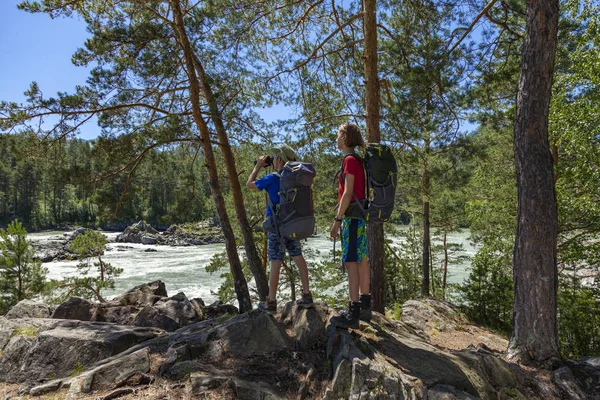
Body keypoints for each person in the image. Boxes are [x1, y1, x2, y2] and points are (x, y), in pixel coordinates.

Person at [246, 144, 313, 314]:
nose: (273, 159)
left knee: (275, 262)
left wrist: (258, 166)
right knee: (298, 257)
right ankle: (307, 296)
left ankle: (271, 302)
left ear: (280, 159)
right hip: (293, 223)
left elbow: (249, 184)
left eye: (275, 157)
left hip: (276, 226)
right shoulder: (296, 178)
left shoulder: (273, 178)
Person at [330, 122, 372, 329]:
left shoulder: (348, 160)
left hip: (352, 218)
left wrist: (338, 221)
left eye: (338, 135)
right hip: (358, 216)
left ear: (346, 137)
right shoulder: (357, 160)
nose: (336, 139)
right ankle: (365, 305)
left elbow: (348, 192)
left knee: (351, 262)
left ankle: (352, 312)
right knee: (362, 258)